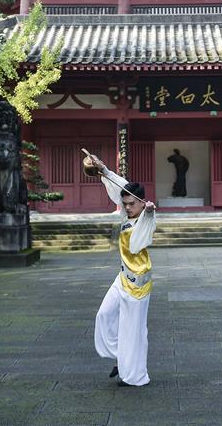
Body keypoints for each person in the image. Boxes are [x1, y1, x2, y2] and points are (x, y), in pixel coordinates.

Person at [90, 155, 157, 387]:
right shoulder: (126, 213)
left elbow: (149, 222)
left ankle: (133, 375)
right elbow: (118, 184)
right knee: (104, 316)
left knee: (134, 331)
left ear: (141, 202)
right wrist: (104, 170)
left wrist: (149, 211)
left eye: (132, 204)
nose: (127, 207)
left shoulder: (146, 219)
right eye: (125, 204)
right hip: (122, 278)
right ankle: (121, 356)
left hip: (138, 285)